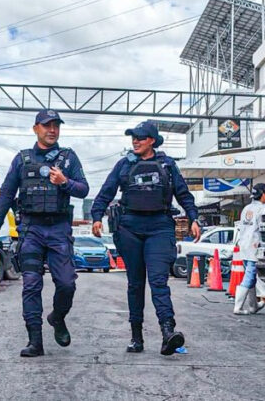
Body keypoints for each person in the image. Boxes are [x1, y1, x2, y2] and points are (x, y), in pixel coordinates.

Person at [90, 121, 200, 355]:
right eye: (133, 138)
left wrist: (193, 218)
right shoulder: (124, 165)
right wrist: (96, 216)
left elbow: (183, 194)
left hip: (160, 227)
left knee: (159, 281)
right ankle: (136, 337)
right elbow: (105, 193)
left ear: (152, 140)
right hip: (130, 228)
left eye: (140, 137)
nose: (135, 141)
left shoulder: (167, 165)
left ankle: (168, 333)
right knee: (135, 284)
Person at [0, 110, 89, 357]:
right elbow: (6, 193)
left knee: (66, 284)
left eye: (56, 125)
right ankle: (35, 341)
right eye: (46, 125)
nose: (52, 130)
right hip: (31, 229)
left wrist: (64, 182)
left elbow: (84, 189)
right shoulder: (22, 159)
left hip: (58, 229)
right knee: (31, 285)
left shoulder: (68, 158)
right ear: (36, 128)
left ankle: (57, 317)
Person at [233, 183, 265, 315]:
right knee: (249, 276)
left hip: (244, 246)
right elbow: (264, 228)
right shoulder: (263, 210)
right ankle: (238, 307)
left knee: (251, 277)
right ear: (263, 194)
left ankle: (253, 306)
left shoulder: (246, 208)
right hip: (254, 246)